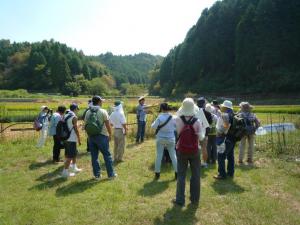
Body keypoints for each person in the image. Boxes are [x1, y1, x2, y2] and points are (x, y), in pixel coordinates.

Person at [173, 98, 204, 207]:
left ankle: (180, 199)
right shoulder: (197, 121)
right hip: (195, 150)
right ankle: (195, 199)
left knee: (181, 175)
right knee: (195, 174)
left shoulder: (177, 119)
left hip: (181, 149)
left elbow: (176, 132)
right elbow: (201, 137)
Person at [84, 95, 117, 180]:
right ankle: (111, 174)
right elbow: (107, 124)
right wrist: (110, 134)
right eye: (101, 101)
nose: (102, 102)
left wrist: (88, 135)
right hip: (102, 136)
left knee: (94, 157)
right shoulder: (103, 111)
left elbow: (85, 125)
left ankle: (97, 175)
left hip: (91, 137)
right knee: (107, 155)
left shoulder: (88, 112)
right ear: (99, 102)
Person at [151, 103, 177, 180]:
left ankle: (157, 174)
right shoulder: (174, 117)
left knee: (159, 155)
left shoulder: (160, 117)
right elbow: (176, 127)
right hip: (171, 138)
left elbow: (153, 127)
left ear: (162, 109)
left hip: (160, 138)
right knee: (173, 156)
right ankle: (177, 173)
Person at [214, 100, 236, 180]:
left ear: (225, 107)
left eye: (223, 106)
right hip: (233, 138)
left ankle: (222, 174)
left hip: (225, 138)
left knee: (221, 156)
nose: (221, 107)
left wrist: (219, 132)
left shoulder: (226, 115)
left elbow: (226, 126)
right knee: (230, 156)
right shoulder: (233, 114)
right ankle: (230, 172)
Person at [61, 103, 82, 178]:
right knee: (70, 155)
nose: (78, 110)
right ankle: (65, 172)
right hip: (71, 138)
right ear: (75, 109)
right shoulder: (74, 117)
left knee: (72, 153)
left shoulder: (65, 115)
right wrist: (79, 139)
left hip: (65, 137)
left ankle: (74, 167)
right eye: (78, 109)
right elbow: (76, 129)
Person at [196, 97, 211, 168]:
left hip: (195, 133)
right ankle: (204, 163)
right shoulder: (208, 113)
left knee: (195, 148)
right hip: (205, 133)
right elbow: (210, 123)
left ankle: (196, 163)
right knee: (204, 148)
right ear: (204, 104)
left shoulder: (194, 112)